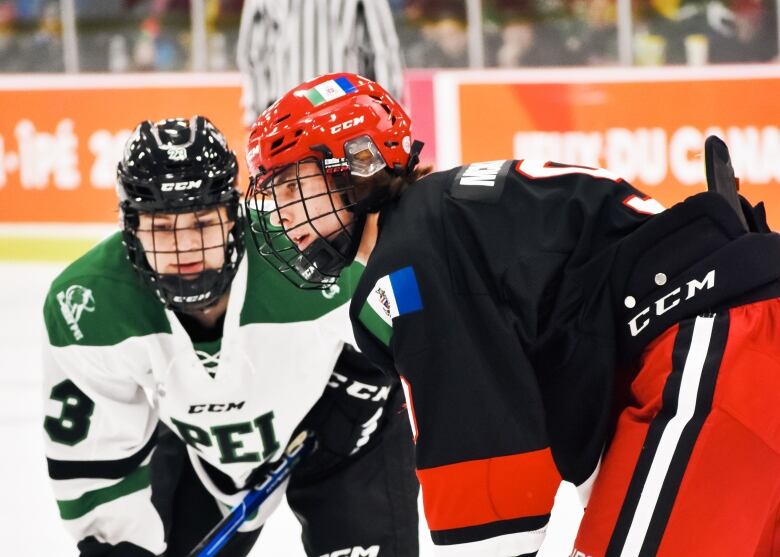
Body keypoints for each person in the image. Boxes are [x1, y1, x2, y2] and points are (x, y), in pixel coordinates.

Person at [244, 73, 780, 556]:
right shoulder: (448, 218)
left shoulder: (411, 258)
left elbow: (490, 494)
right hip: (733, 350)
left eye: (293, 184)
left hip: (721, 355)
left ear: (358, 161)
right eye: (275, 193)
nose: (285, 213)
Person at [41, 115, 419, 557]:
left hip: (348, 431)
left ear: (233, 217)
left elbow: (418, 312)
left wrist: (365, 379)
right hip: (206, 448)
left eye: (202, 224)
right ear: (131, 229)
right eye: (162, 228)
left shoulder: (305, 254)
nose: (184, 250)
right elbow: (95, 460)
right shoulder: (89, 305)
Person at [236, 0, 404, 126]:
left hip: (342, 117)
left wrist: (389, 116)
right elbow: (254, 54)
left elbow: (383, 51)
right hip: (296, 119)